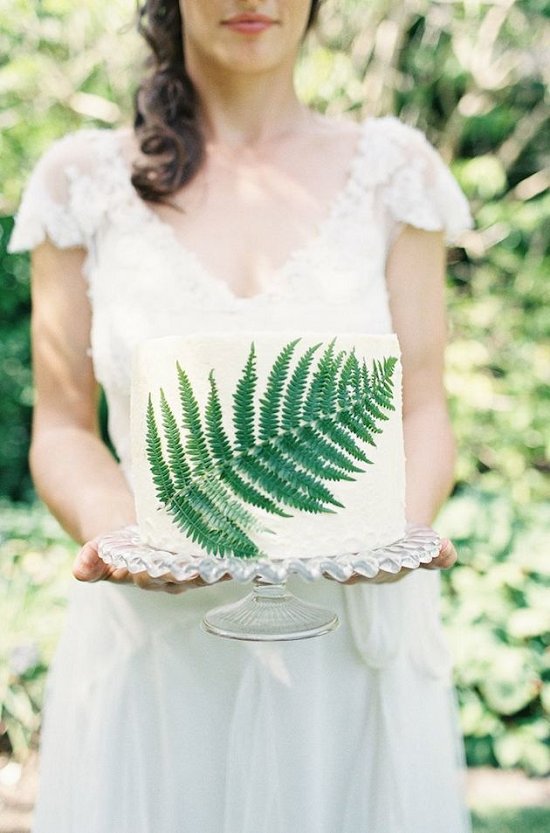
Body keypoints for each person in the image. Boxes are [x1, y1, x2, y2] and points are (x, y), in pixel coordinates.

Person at [8, 1, 475, 831]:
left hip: (348, 651)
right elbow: (63, 425)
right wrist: (124, 529)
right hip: (156, 654)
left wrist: (394, 528)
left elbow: (425, 405)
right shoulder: (80, 181)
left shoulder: (393, 171)